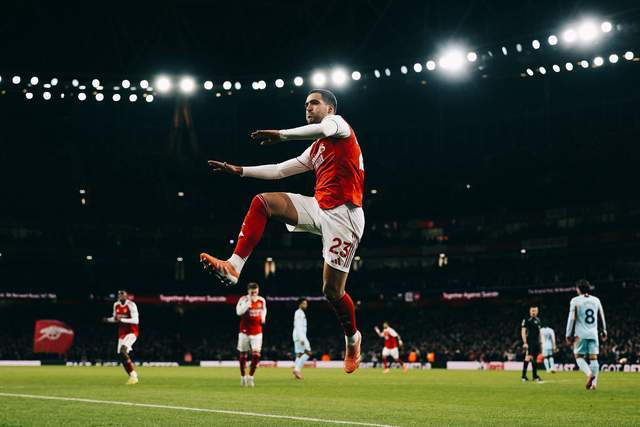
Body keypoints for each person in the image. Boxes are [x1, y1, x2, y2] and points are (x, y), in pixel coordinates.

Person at [201, 88, 365, 373]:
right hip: (320, 207)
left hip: (345, 216)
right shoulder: (316, 149)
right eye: (306, 104)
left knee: (331, 290)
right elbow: (279, 170)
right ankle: (234, 266)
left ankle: (353, 338)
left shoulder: (339, 125)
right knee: (263, 202)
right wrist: (239, 170)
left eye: (314, 103)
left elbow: (323, 128)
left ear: (329, 109)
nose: (308, 107)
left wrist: (281, 135)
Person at [565, 279, 607, 390]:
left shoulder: (575, 301)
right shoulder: (596, 300)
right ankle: (594, 384)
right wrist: (604, 330)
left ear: (578, 289)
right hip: (593, 333)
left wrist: (568, 334)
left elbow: (571, 319)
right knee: (594, 358)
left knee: (578, 356)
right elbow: (601, 315)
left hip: (580, 334)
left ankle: (589, 374)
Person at [103, 290, 139, 385]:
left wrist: (122, 319)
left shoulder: (131, 305)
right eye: (119, 294)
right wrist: (108, 320)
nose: (120, 296)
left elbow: (136, 320)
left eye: (122, 294)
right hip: (122, 334)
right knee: (122, 356)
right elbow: (115, 319)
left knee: (123, 350)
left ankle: (134, 376)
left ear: (126, 296)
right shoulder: (116, 305)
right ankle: (132, 375)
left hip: (132, 332)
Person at [236, 282, 267, 387]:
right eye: (252, 292)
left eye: (255, 292)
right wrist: (247, 304)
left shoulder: (261, 300)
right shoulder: (243, 299)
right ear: (248, 291)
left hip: (257, 331)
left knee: (256, 355)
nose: (254, 294)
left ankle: (251, 376)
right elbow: (238, 312)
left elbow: (264, 310)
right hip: (244, 332)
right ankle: (243, 376)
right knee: (243, 355)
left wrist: (263, 317)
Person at [520, 306, 542, 382]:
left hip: (536, 342)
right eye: (532, 311)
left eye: (535, 311)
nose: (533, 312)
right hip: (530, 341)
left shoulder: (538, 320)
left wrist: (540, 342)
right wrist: (525, 342)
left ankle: (534, 376)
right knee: (528, 357)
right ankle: (524, 376)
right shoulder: (526, 320)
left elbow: (539, 333)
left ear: (537, 311)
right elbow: (523, 331)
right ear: (530, 311)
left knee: (534, 358)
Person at [292, 297, 311, 379]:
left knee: (299, 354)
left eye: (306, 304)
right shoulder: (299, 313)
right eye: (304, 303)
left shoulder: (300, 313)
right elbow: (298, 326)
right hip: (300, 336)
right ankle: (297, 369)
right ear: (300, 304)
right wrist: (301, 338)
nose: (306, 305)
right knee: (308, 352)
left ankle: (296, 371)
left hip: (297, 336)